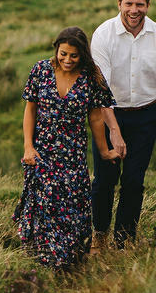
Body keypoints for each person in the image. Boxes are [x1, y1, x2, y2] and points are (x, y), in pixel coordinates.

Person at [14, 27, 123, 269]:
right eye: (63, 54)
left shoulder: (91, 77)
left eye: (73, 55)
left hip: (72, 152)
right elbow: (30, 110)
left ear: (82, 55)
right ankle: (43, 260)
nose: (67, 60)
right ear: (56, 50)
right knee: (44, 203)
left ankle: (70, 260)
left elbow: (96, 119)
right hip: (42, 149)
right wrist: (28, 147)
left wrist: (104, 151)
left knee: (72, 206)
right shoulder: (40, 70)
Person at [91, 0, 156, 250]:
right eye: (129, 3)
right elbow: (100, 90)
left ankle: (124, 240)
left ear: (148, 5)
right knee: (104, 180)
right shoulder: (103, 35)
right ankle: (99, 237)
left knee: (133, 181)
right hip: (109, 115)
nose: (134, 10)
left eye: (140, 4)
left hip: (145, 117)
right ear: (119, 2)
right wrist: (115, 132)